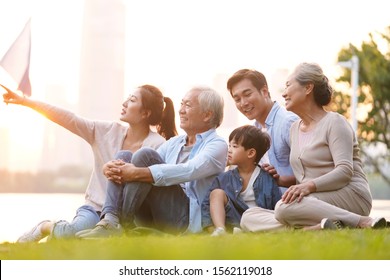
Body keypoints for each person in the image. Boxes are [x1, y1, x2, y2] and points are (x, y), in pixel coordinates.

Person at [1, 83, 177, 242]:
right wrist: (26, 101)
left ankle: (110, 227)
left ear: (145, 113)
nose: (124, 103)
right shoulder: (105, 131)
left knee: (97, 240)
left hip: (130, 214)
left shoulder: (158, 146)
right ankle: (45, 226)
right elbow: (68, 118)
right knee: (73, 233)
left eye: (131, 100)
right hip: (94, 208)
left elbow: (163, 186)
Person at [240, 62, 387, 232]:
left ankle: (361, 221)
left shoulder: (335, 122)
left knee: (284, 208)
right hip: (316, 200)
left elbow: (345, 171)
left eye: (288, 85)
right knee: (249, 217)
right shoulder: (295, 128)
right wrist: (281, 180)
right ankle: (317, 227)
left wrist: (307, 187)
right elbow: (304, 178)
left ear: (308, 87)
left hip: (350, 194)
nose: (284, 93)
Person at [76, 85, 228, 238]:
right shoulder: (174, 143)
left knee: (145, 155)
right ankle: (110, 219)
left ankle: (119, 224)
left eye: (187, 105)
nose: (181, 110)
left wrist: (138, 173)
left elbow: (190, 170)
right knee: (125, 156)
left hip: (185, 219)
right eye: (181, 104)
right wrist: (110, 168)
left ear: (207, 115)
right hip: (157, 213)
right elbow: (138, 163)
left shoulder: (217, 145)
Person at [201, 125, 282, 236]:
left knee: (258, 217)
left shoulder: (267, 178)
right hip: (234, 222)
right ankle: (220, 230)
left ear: (251, 153)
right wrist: (211, 228)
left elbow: (277, 207)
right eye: (229, 145)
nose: (229, 150)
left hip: (258, 220)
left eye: (234, 146)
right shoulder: (224, 178)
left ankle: (252, 232)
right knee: (216, 193)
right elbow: (206, 205)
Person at [227, 69, 299, 192]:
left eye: (247, 94)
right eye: (237, 99)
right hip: (269, 204)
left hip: (295, 202)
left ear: (264, 91)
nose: (243, 103)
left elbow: (312, 174)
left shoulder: (288, 122)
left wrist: (280, 179)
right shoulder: (255, 131)